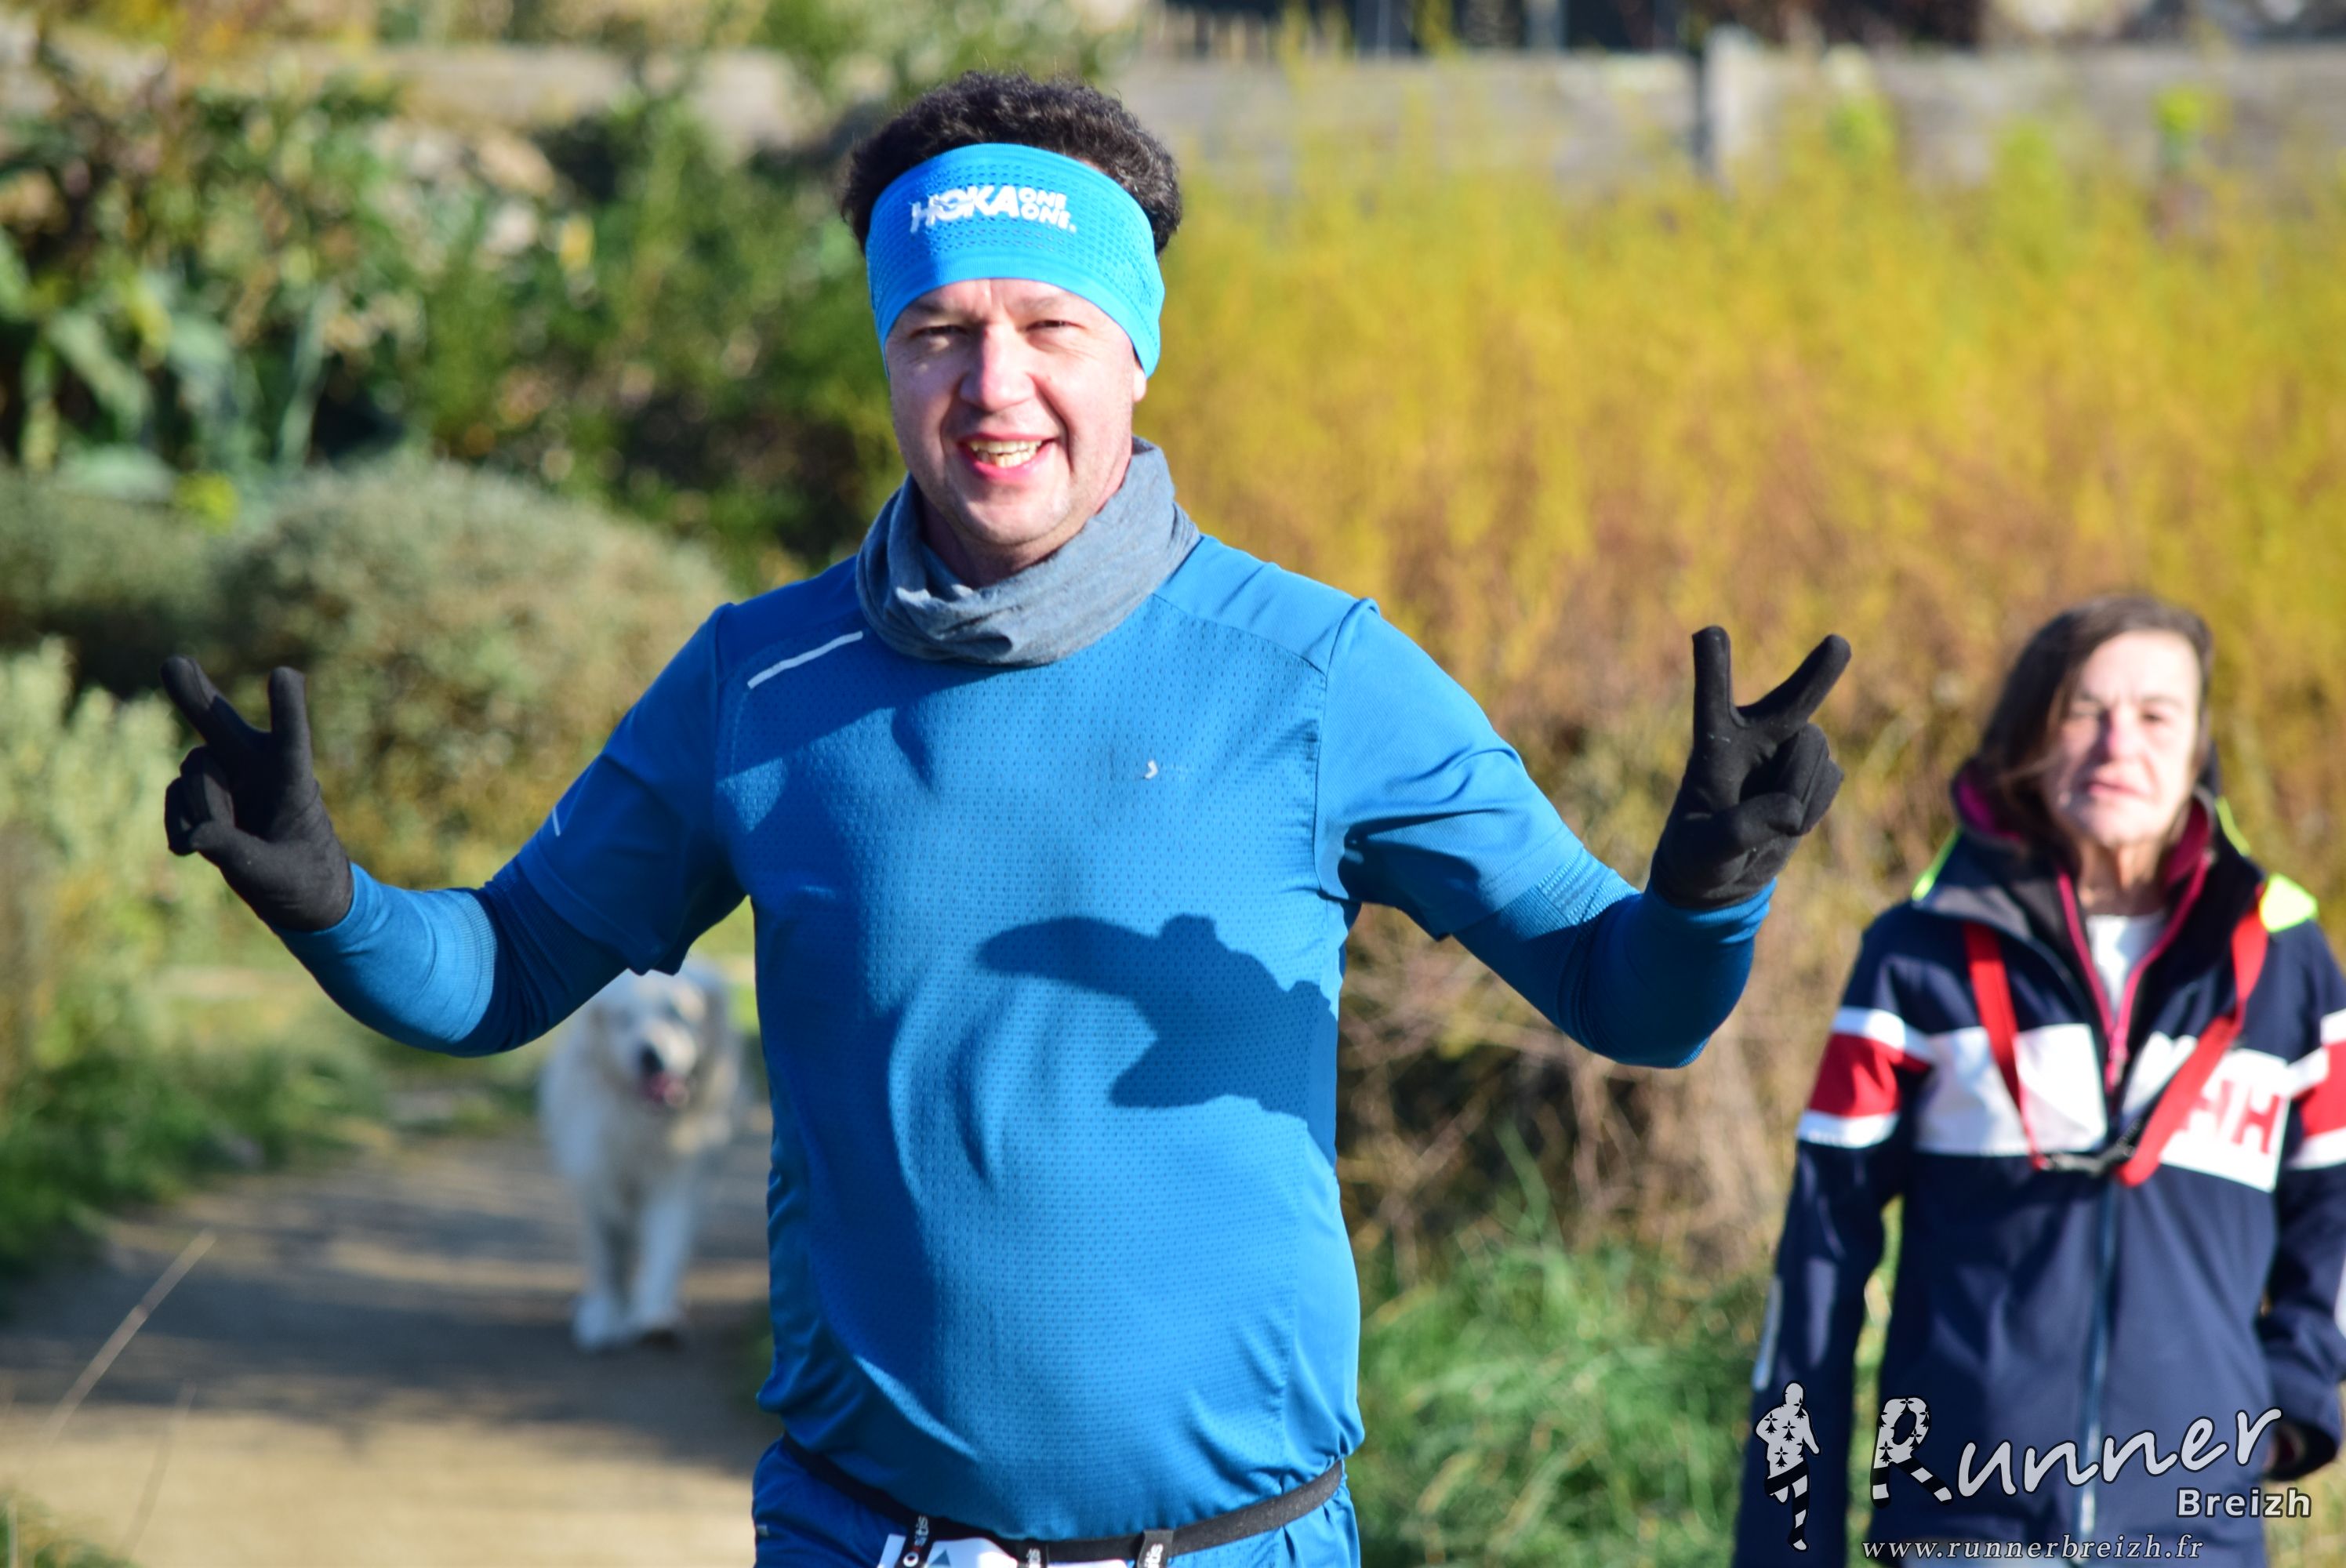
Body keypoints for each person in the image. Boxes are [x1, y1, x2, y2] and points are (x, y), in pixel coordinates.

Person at [163, 71, 1847, 1568]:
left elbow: (1626, 999)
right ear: (887, 357)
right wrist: (332, 902)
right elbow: (501, 972)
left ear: (1136, 351)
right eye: (937, 331)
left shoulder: (1314, 675)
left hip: (1233, 1548)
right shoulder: (758, 683)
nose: (993, 385)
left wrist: (1706, 889)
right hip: (859, 1537)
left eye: (1050, 326)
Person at [1734, 596, 2346, 1566]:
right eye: (2082, 710)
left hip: (2199, 1538)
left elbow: (2333, 1211)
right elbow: (1818, 1264)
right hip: (1958, 1534)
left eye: (2156, 714)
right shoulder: (1916, 956)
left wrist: (2289, 1403)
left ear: (2199, 745)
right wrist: (1785, 1542)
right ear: (2029, 736)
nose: (2118, 743)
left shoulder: (2284, 961)